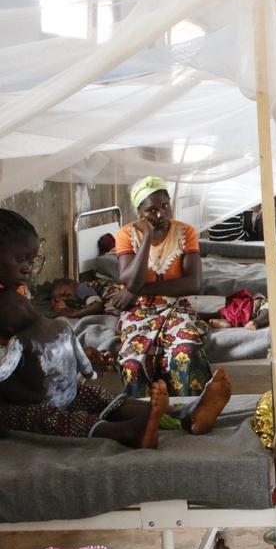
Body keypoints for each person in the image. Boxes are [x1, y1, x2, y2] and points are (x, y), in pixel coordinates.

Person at [0, 210, 230, 447]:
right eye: (20, 259)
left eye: (32, 259)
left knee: (98, 397)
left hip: (46, 386)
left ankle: (181, 412)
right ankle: (122, 432)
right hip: (17, 401)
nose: (28, 268)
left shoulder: (12, 290)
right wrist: (37, 397)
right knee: (47, 417)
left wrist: (69, 370)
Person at [112, 176, 214, 398]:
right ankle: (145, 416)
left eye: (165, 206)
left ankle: (192, 409)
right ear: (139, 212)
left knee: (186, 349)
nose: (161, 215)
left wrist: (136, 291)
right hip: (138, 312)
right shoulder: (125, 235)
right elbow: (129, 279)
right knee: (133, 363)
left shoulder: (185, 232)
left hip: (175, 307)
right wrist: (147, 237)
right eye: (151, 210)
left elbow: (192, 283)